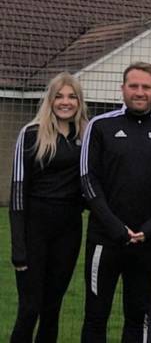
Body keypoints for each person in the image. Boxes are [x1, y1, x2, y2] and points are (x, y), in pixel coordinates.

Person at [80, 62, 151, 342]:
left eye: (146, 87)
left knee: (139, 318)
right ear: (122, 88)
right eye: (134, 86)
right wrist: (115, 227)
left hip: (146, 244)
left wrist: (149, 229)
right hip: (105, 240)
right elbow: (88, 180)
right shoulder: (100, 126)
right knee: (95, 316)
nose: (140, 92)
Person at [9, 72, 88, 343]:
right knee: (29, 309)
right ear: (50, 100)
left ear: (79, 101)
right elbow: (18, 191)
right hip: (35, 231)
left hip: (69, 230)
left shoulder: (86, 137)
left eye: (72, 96)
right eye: (59, 96)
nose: (65, 102)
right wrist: (19, 248)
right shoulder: (31, 134)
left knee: (52, 309)